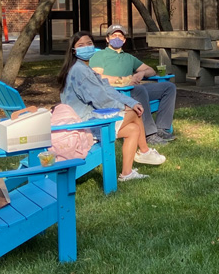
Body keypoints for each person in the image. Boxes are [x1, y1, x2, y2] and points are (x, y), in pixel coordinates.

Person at [57, 31, 166, 182]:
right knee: (134, 114)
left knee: (133, 129)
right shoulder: (79, 71)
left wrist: (131, 102)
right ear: (74, 50)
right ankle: (144, 151)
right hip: (83, 124)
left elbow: (107, 90)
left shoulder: (85, 68)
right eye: (81, 45)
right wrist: (125, 108)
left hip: (92, 117)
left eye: (89, 44)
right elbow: (101, 100)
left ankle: (126, 174)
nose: (86, 47)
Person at [89, 25, 177, 146]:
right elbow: (97, 77)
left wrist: (141, 73)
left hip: (132, 90)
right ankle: (149, 134)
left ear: (124, 40)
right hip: (115, 93)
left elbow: (151, 70)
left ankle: (162, 129)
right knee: (139, 89)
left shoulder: (129, 58)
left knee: (168, 87)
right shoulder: (100, 55)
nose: (117, 38)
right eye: (113, 35)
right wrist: (125, 80)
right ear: (107, 39)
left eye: (120, 36)